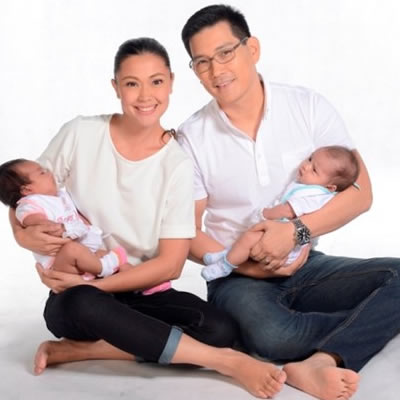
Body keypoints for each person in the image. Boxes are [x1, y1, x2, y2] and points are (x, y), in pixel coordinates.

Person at [9, 37, 287, 399]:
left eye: (156, 81)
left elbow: (171, 265)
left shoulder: (177, 164)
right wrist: (21, 234)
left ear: (171, 83)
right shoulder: (80, 134)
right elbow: (23, 192)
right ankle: (226, 362)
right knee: (81, 303)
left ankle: (84, 351)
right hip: (80, 295)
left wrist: (101, 287)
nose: (145, 96)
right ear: (115, 87)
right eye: (131, 83)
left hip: (140, 288)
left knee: (220, 329)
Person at [177, 4, 400, 400]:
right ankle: (373, 322)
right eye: (202, 62)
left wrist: (295, 232)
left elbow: (360, 193)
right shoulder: (192, 136)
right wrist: (248, 264)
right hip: (237, 277)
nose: (216, 70)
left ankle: (321, 361)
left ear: (252, 49)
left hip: (306, 262)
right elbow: (186, 230)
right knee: (273, 336)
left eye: (225, 53)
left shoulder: (306, 106)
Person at [201, 145, 360, 281]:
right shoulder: (306, 186)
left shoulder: (314, 195)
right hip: (293, 239)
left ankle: (225, 265)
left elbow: (288, 211)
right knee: (248, 241)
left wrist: (266, 214)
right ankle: (227, 255)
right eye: (310, 159)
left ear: (330, 187)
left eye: (314, 170)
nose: (306, 166)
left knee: (249, 238)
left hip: (290, 247)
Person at [0, 158, 127, 280]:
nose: (50, 172)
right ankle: (102, 269)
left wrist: (87, 227)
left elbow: (75, 214)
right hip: (59, 260)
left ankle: (134, 283)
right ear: (27, 189)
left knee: (116, 260)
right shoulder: (30, 204)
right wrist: (60, 228)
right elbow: (37, 223)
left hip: (83, 251)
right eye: (42, 172)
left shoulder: (60, 195)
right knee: (72, 250)